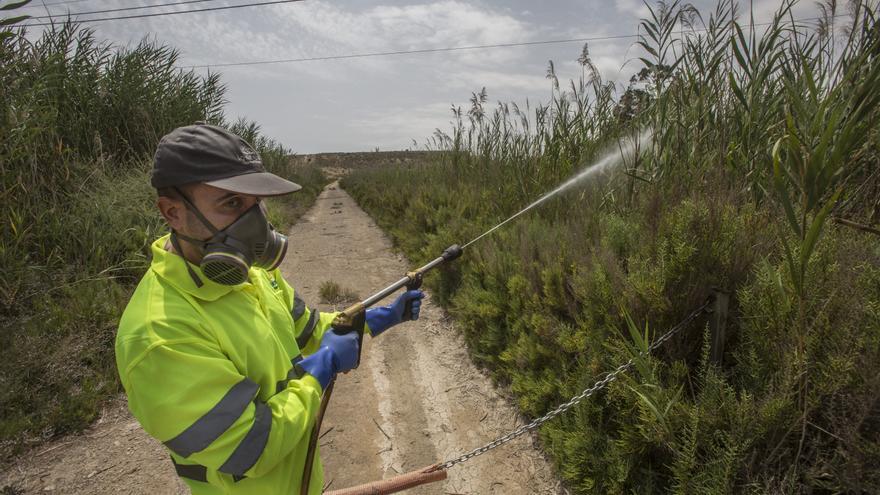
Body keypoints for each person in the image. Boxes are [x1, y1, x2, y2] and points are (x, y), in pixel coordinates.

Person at [115, 123, 424, 494]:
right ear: (172, 212)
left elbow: (311, 330)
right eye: (232, 203)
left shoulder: (255, 276)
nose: (257, 224)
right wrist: (320, 372)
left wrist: (378, 318)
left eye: (256, 203)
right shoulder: (159, 334)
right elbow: (252, 447)